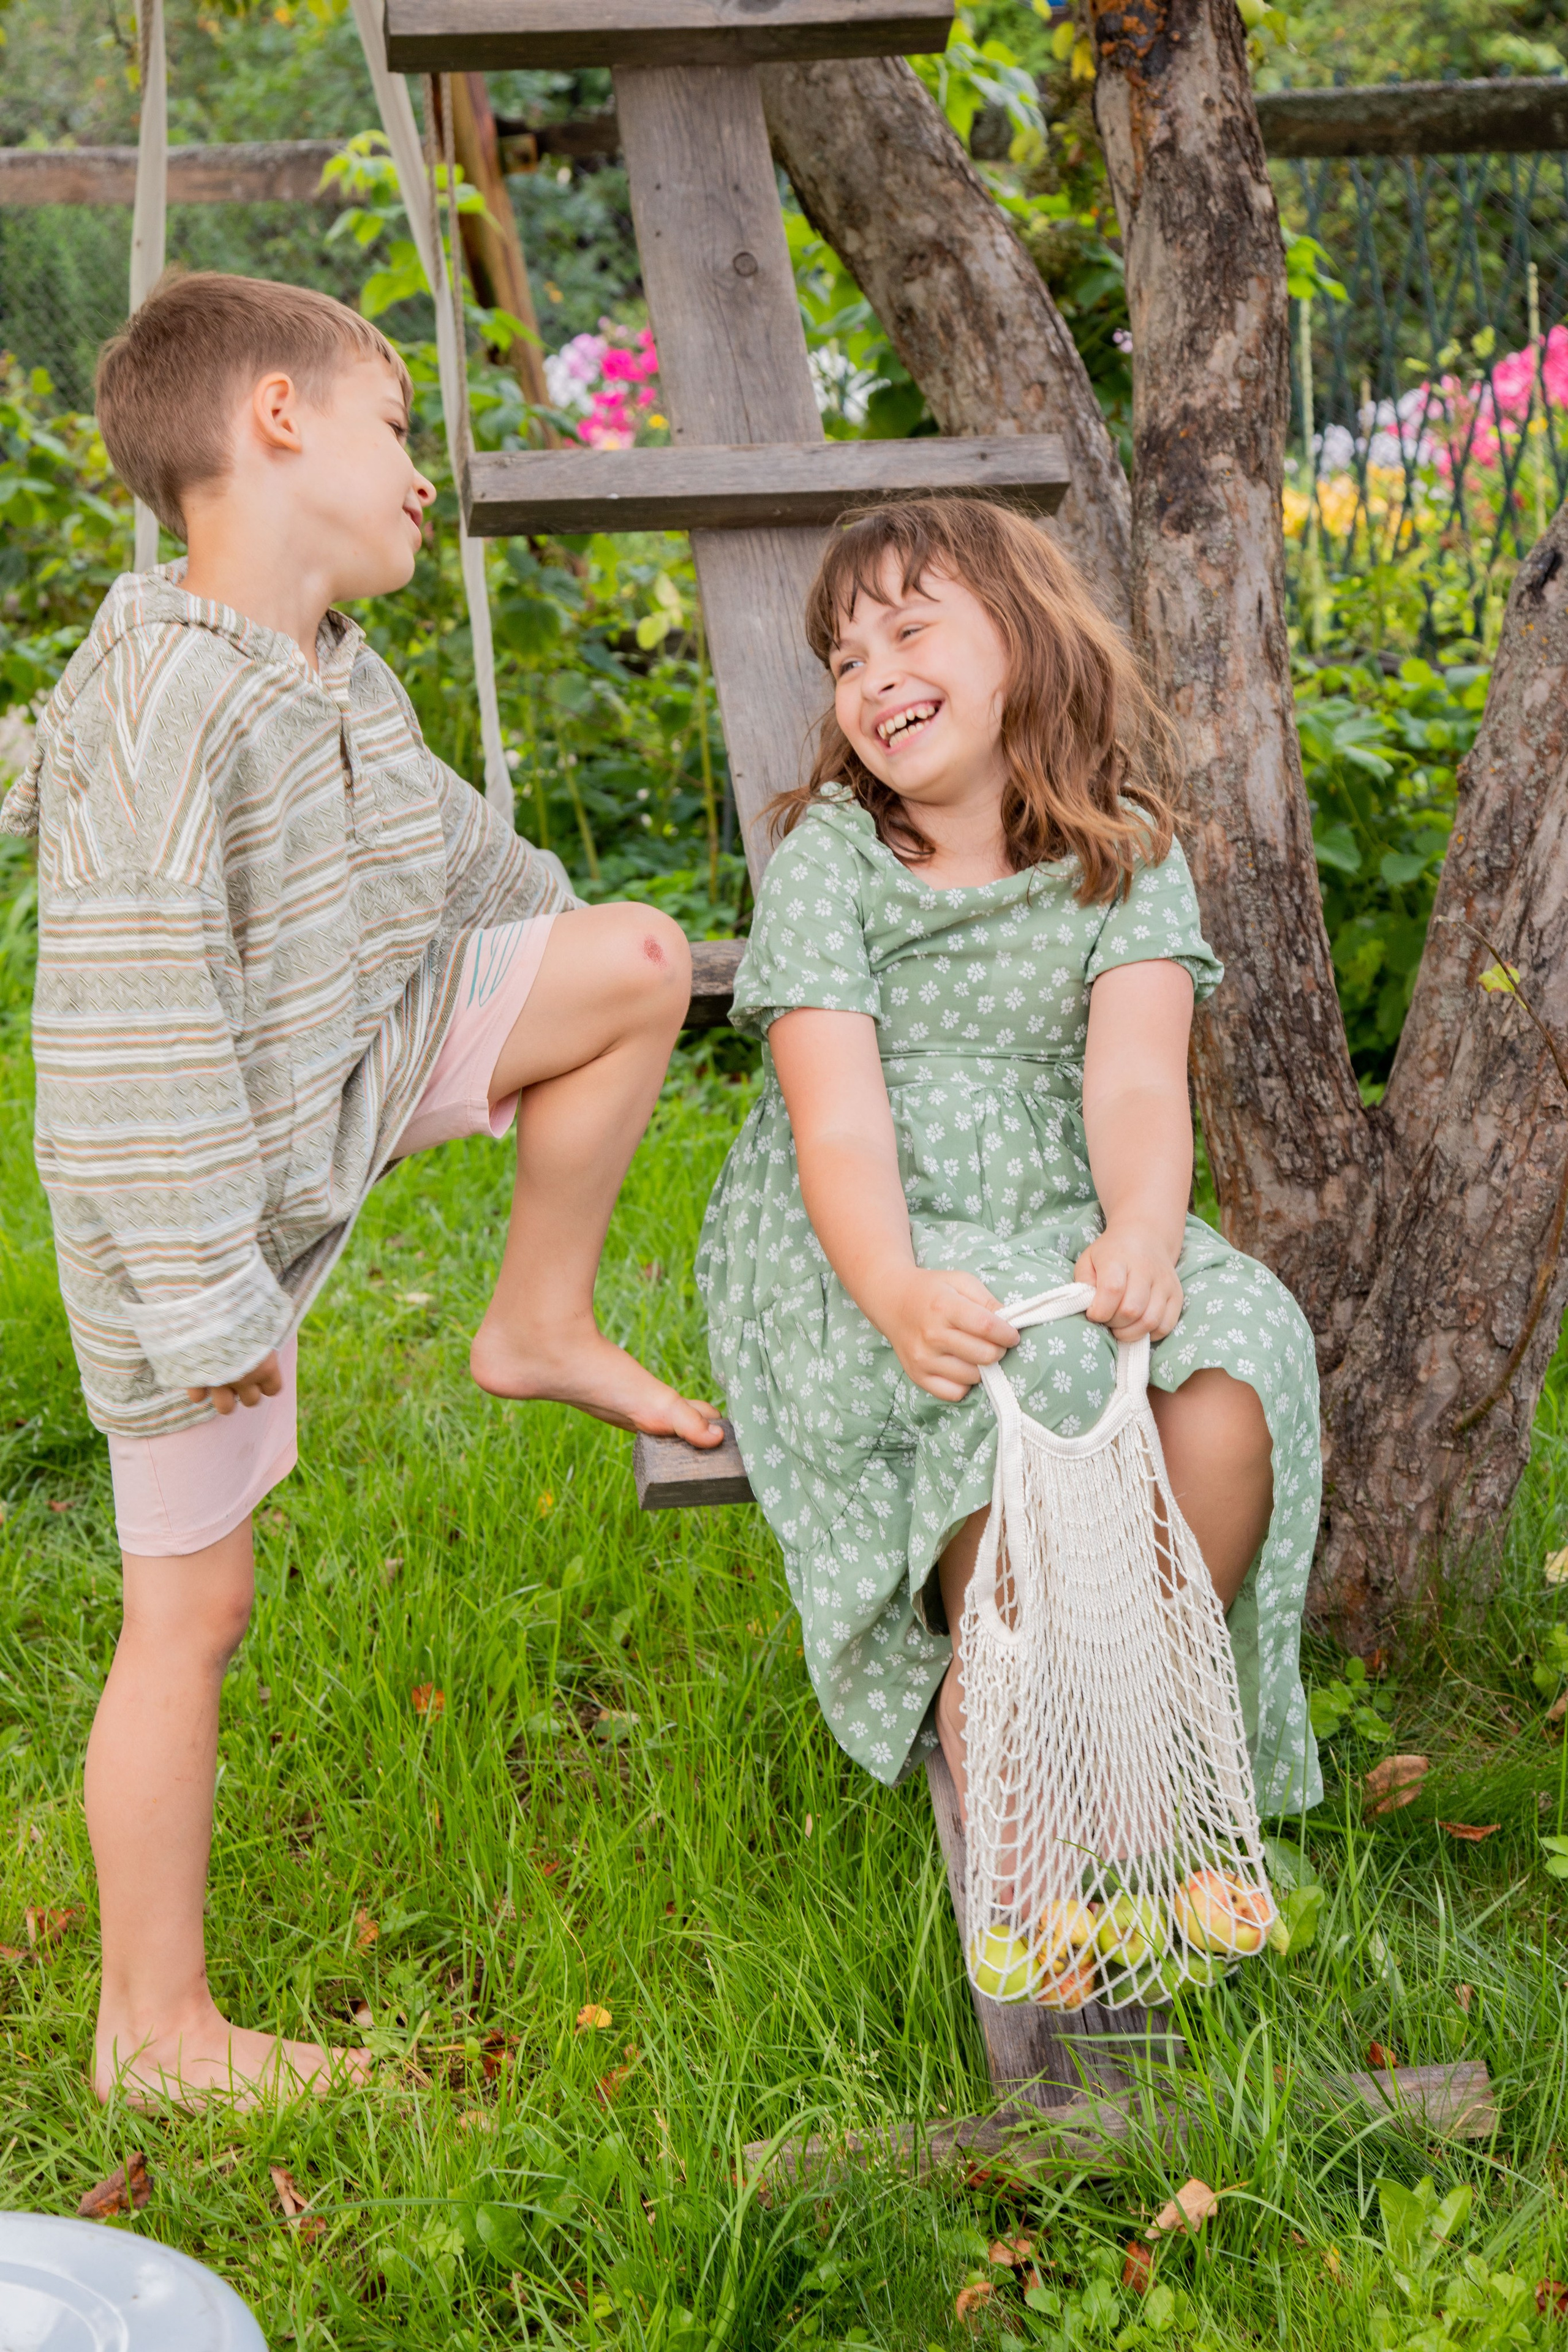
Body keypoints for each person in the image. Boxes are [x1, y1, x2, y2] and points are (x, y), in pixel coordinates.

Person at [1, 272, 723, 2106]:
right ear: (274, 418)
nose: (420, 475)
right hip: (179, 1204)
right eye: (394, 429)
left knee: (636, 959)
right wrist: (206, 1306)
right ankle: (155, 2033)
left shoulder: (334, 670)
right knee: (194, 1611)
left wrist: (565, 937)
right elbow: (134, 1052)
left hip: (333, 1071)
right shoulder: (166, 702)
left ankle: (536, 1319)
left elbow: (457, 859)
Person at [697, 497, 1321, 1833]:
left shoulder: (1124, 848)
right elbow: (838, 1125)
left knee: (1243, 1355)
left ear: (1027, 640)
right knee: (1026, 1362)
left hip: (1069, 1199)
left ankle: (1134, 1724)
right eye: (845, 659)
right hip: (867, 1227)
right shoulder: (834, 860)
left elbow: (1136, 1079)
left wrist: (1142, 1231)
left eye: (907, 632)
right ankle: (1014, 1759)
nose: (872, 676)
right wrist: (894, 1289)